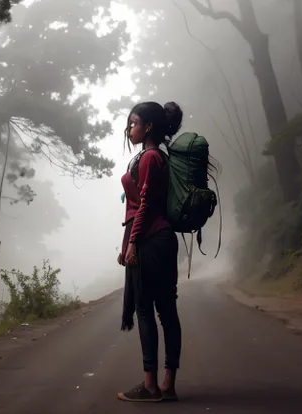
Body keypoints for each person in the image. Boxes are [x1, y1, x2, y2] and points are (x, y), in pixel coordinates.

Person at [117, 101, 182, 403]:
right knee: (167, 310)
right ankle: (167, 384)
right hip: (162, 239)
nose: (130, 128)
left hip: (149, 240)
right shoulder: (159, 158)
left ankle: (150, 386)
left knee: (145, 309)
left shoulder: (149, 158)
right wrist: (124, 243)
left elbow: (144, 206)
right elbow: (133, 208)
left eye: (134, 122)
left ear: (149, 127)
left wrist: (131, 244)